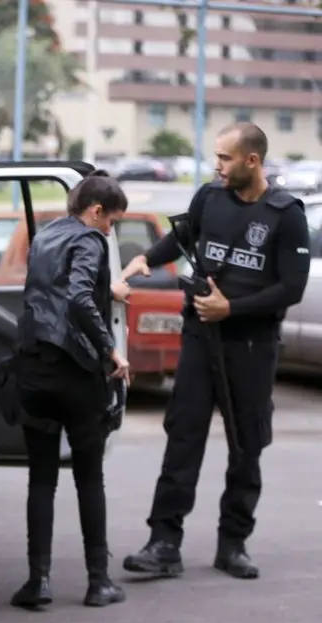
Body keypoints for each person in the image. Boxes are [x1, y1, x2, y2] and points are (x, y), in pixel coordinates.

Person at [120, 122, 310, 581]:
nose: (217, 166)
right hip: (200, 339)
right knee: (183, 437)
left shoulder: (286, 214)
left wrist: (233, 308)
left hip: (252, 346)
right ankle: (164, 543)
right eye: (216, 157)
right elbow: (184, 238)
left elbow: (293, 287)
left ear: (252, 160)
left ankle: (233, 544)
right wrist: (148, 257)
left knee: (246, 446)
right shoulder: (210, 197)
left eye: (225, 158)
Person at [9, 170, 132, 611]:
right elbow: (79, 296)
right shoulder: (90, 240)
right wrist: (112, 351)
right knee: (89, 478)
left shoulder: (45, 236)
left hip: (34, 371)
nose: (109, 230)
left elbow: (53, 292)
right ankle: (98, 582)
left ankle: (37, 581)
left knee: (41, 480)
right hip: (77, 376)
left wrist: (106, 289)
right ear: (96, 211)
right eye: (111, 221)